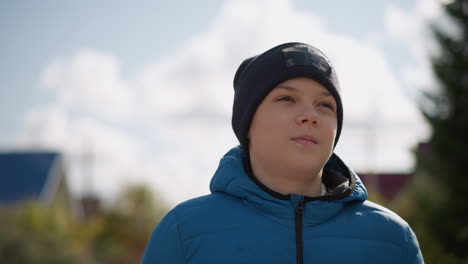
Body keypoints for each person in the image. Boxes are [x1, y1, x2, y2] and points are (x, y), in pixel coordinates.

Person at [141, 42, 424, 264]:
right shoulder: (183, 231)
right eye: (286, 98)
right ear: (247, 122)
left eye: (325, 105)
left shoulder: (392, 237)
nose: (310, 115)